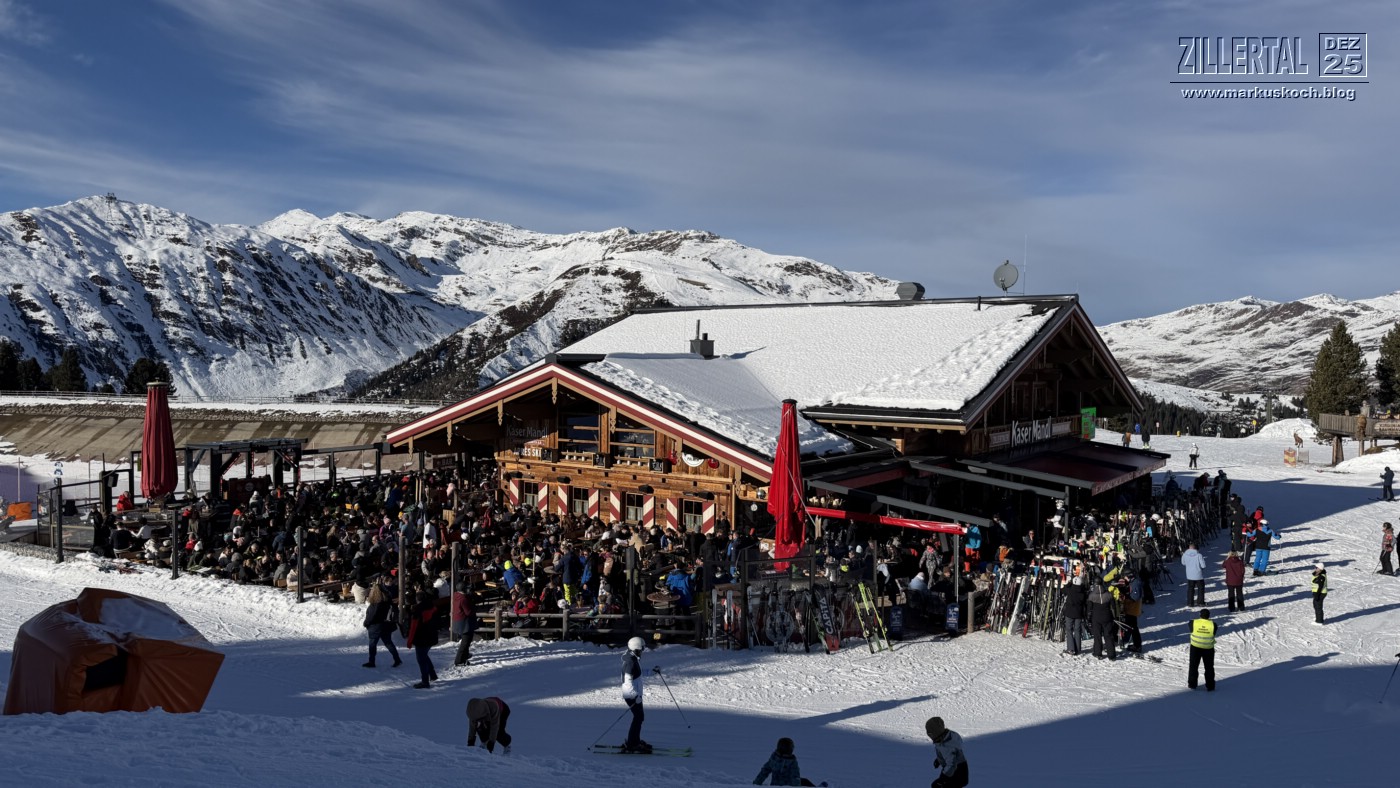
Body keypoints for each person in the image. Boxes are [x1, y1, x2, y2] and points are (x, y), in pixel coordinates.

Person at [752, 737, 825, 786]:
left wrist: (756, 783)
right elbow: (795, 777)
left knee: (803, 780)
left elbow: (764, 771)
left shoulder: (774, 758)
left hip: (775, 784)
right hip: (788, 785)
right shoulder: (792, 761)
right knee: (805, 781)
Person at [405, 589, 440, 688]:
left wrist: (409, 641)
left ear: (417, 599)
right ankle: (432, 674)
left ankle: (425, 681)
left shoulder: (417, 610)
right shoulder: (432, 606)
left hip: (421, 638)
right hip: (431, 636)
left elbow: (413, 627)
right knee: (424, 655)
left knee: (421, 659)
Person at [620, 636, 649, 753]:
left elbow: (638, 673)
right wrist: (634, 697)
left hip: (635, 695)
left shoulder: (633, 659)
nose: (642, 651)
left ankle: (635, 741)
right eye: (641, 649)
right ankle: (632, 743)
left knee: (639, 717)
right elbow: (627, 683)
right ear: (636, 649)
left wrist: (652, 671)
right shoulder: (630, 662)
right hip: (631, 695)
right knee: (638, 717)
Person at [362, 582, 402, 668]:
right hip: (386, 625)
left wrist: (366, 623)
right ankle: (397, 659)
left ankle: (371, 661)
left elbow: (371, 617)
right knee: (388, 643)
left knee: (372, 645)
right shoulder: (387, 601)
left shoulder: (375, 604)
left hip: (375, 627)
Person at [925, 716, 969, 788]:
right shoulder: (946, 737)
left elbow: (951, 764)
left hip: (957, 773)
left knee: (937, 785)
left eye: (930, 733)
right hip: (956, 770)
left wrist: (943, 778)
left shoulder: (946, 744)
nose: (929, 735)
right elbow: (948, 755)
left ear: (935, 733)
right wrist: (939, 759)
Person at [1088, 577, 1117, 661]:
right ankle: (1111, 655)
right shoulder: (1108, 594)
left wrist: (1089, 618)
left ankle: (1098, 653)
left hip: (1096, 617)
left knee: (1097, 635)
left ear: (1095, 584)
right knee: (1108, 635)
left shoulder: (1091, 595)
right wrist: (1114, 616)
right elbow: (1113, 607)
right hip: (1107, 616)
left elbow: (1089, 609)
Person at [1188, 608, 1216, 691]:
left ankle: (1192, 684)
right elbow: (1214, 633)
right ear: (1209, 616)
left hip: (1195, 647)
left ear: (1200, 615)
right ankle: (1210, 686)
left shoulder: (1193, 622)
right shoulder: (1213, 625)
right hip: (1208, 648)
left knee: (1193, 665)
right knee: (1209, 667)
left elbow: (1190, 628)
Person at [1061, 574, 1087, 656]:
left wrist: (1068, 584)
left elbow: (1062, 590)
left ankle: (1071, 648)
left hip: (1069, 613)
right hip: (1079, 613)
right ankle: (1078, 648)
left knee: (1069, 629)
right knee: (1077, 630)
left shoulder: (1070, 590)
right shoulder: (1083, 592)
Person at [452, 583, 477, 666]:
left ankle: (465, 655)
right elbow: (468, 612)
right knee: (465, 642)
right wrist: (474, 608)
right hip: (465, 623)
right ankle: (459, 660)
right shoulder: (463, 599)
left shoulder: (456, 596)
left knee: (467, 640)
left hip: (459, 621)